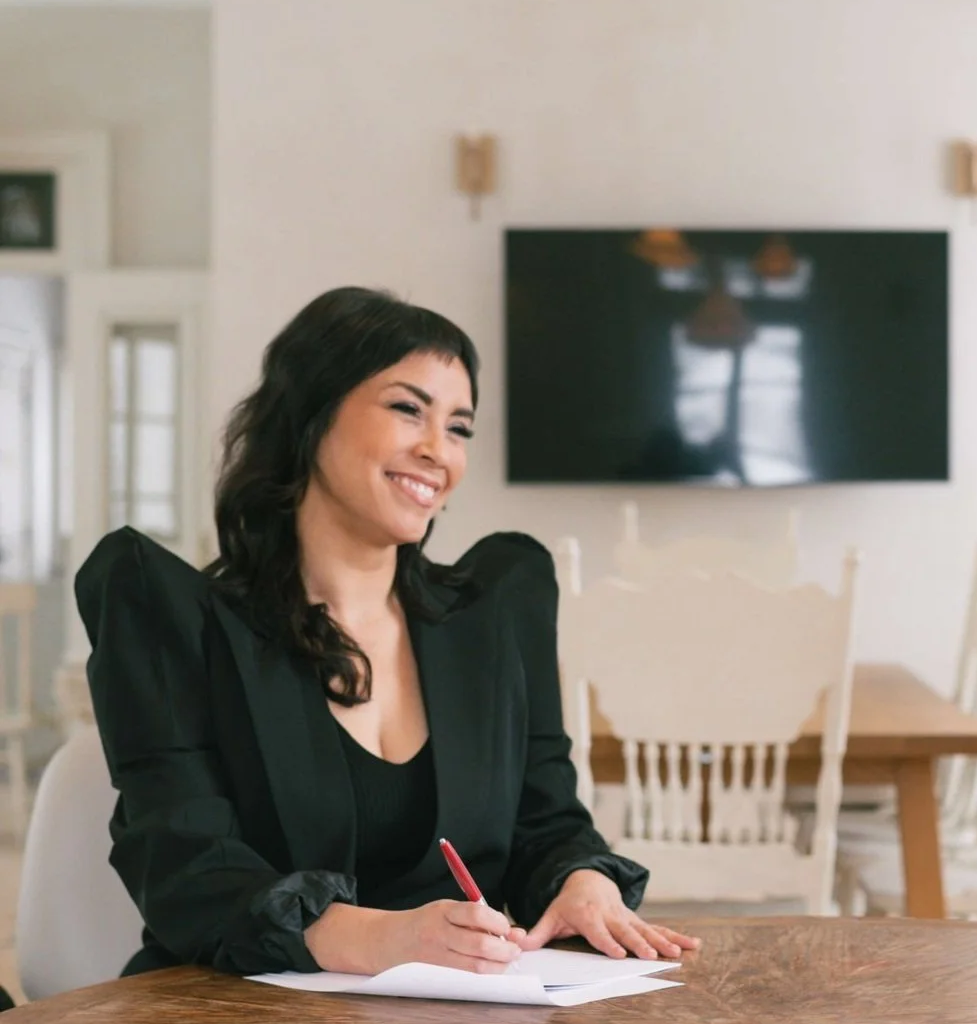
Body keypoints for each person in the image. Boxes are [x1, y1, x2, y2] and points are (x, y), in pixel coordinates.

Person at [76, 286, 697, 978]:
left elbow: (546, 821)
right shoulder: (177, 620)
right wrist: (379, 938)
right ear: (310, 416)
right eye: (408, 409)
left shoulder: (495, 611)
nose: (440, 451)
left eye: (459, 427)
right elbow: (182, 865)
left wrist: (582, 880)